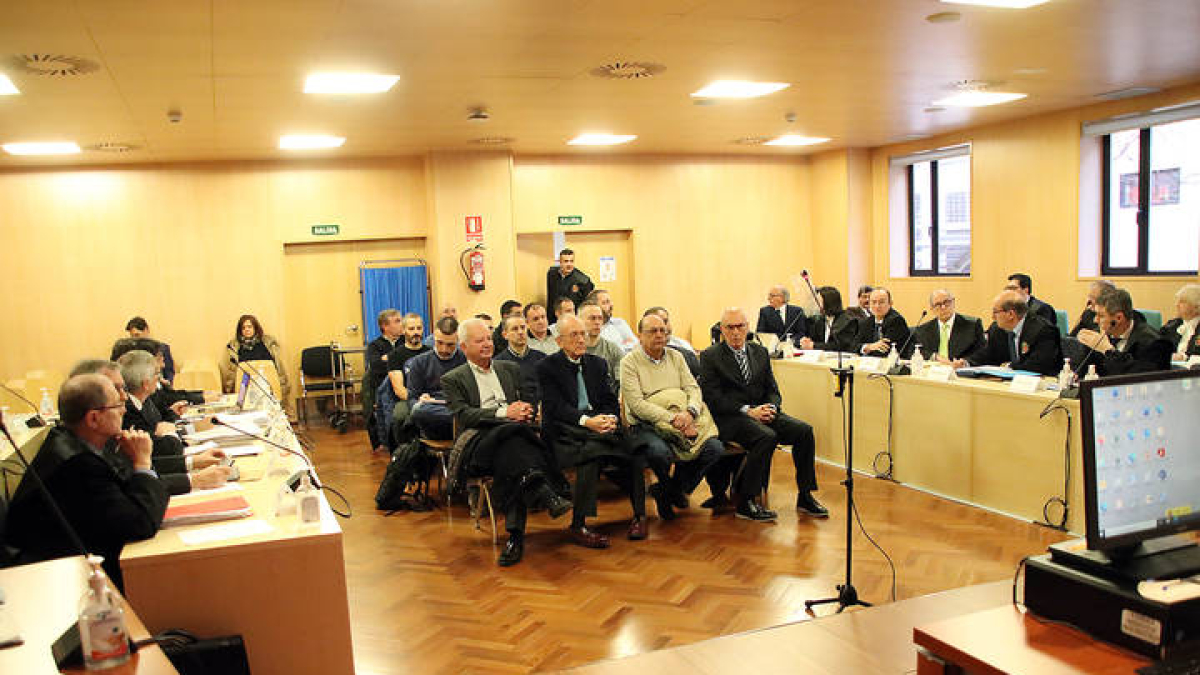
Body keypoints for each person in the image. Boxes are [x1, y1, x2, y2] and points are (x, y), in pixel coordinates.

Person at [6, 374, 168, 590]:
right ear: (93, 419)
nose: (124, 410)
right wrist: (142, 462)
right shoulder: (78, 465)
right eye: (118, 405)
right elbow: (139, 524)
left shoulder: (75, 442)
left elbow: (126, 494)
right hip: (56, 582)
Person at [442, 318, 572, 567]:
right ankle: (550, 490)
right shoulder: (452, 378)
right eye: (479, 341)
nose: (487, 344)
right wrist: (505, 414)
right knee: (513, 435)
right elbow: (465, 416)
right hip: (478, 442)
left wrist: (526, 410)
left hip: (512, 444)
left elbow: (529, 400)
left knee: (513, 457)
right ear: (463, 346)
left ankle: (516, 536)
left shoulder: (508, 369)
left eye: (489, 338)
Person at [701, 308, 825, 520]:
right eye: (730, 328)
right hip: (731, 418)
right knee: (766, 437)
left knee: (804, 431)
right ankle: (746, 501)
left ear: (748, 328)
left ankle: (805, 495)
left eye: (740, 326)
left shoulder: (759, 352)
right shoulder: (710, 356)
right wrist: (749, 411)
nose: (736, 332)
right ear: (722, 330)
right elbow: (714, 398)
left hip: (763, 411)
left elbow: (772, 389)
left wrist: (771, 408)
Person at [537, 315, 649, 546]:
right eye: (574, 335)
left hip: (600, 430)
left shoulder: (597, 364)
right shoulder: (547, 367)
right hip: (566, 433)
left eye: (583, 334)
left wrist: (608, 418)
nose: (581, 339)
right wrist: (588, 421)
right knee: (590, 457)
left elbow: (610, 400)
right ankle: (579, 525)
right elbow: (555, 408)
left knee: (635, 450)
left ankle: (640, 515)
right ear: (559, 341)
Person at [72, 359, 231, 496]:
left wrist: (193, 463)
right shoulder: (80, 461)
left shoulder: (98, 440)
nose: (124, 399)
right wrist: (143, 465)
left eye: (124, 388)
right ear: (93, 417)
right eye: (116, 389)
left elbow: (138, 470)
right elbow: (138, 515)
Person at [619, 313, 722, 521]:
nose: (660, 335)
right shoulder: (629, 362)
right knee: (660, 453)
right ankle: (670, 492)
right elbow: (637, 405)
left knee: (715, 449)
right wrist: (672, 418)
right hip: (646, 424)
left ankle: (670, 490)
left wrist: (690, 412)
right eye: (653, 331)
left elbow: (693, 388)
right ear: (640, 336)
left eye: (663, 331)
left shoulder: (676, 357)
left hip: (684, 418)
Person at [1076, 287, 1173, 376]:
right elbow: (1081, 372)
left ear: (1118, 318)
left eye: (1101, 316)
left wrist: (1108, 350)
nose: (1095, 320)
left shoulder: (1154, 343)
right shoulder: (1101, 334)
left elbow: (1136, 377)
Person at [963, 291, 1062, 376]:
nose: (992, 317)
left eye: (995, 312)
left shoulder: (1044, 330)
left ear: (1010, 314)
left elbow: (1038, 364)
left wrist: (1008, 367)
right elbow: (988, 354)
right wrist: (966, 363)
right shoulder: (997, 329)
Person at [405, 317, 466, 440]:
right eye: (439, 343)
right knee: (418, 411)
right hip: (433, 411)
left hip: (458, 405)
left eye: (450, 345)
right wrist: (420, 401)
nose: (444, 349)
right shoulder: (419, 362)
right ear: (433, 338)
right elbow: (411, 398)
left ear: (458, 340)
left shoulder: (466, 359)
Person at [219, 314, 290, 405]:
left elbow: (278, 368)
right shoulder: (235, 347)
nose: (246, 330)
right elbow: (232, 373)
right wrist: (229, 391)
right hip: (244, 387)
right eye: (243, 328)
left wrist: (283, 387)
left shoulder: (267, 344)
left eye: (249, 327)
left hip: (267, 385)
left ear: (255, 328)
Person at [383, 313, 431, 446]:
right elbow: (399, 390)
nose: (416, 332)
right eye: (411, 329)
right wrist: (417, 401)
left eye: (419, 328)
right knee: (400, 416)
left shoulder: (431, 352)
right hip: (407, 399)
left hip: (432, 398)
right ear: (403, 331)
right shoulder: (395, 356)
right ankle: (402, 453)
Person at [364, 309, 404, 452]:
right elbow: (376, 367)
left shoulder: (405, 341)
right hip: (381, 385)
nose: (402, 324)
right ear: (385, 326)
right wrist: (397, 358)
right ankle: (384, 442)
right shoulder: (375, 345)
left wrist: (387, 358)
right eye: (398, 321)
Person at [908, 290, 986, 362]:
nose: (943, 307)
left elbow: (982, 353)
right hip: (932, 372)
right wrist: (935, 357)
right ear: (932, 309)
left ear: (953, 302)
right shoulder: (924, 330)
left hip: (961, 371)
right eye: (938, 305)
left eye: (946, 302)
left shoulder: (972, 325)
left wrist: (965, 362)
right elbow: (917, 350)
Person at [493, 313, 546, 404]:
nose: (520, 332)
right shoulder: (497, 363)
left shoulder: (542, 358)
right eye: (515, 329)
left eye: (523, 327)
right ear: (505, 335)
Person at [578, 303, 624, 391]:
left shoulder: (613, 349)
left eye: (600, 318)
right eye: (592, 318)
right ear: (579, 320)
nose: (597, 322)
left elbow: (622, 383)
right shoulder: (572, 350)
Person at [644, 307, 700, 378]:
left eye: (665, 321)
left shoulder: (684, 346)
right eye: (655, 325)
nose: (663, 327)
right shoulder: (638, 353)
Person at [799, 286, 858, 353]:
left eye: (818, 300)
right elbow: (815, 340)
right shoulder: (820, 319)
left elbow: (841, 345)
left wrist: (814, 345)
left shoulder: (848, 320)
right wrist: (807, 341)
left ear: (828, 302)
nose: (815, 304)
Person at [853, 288, 910, 356]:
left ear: (890, 303)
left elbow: (884, 350)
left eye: (881, 302)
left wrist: (867, 348)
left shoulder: (896, 321)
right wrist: (869, 347)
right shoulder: (867, 322)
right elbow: (853, 346)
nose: (877, 306)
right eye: (874, 302)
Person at [123, 317, 177, 384]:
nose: (135, 340)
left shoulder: (162, 348)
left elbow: (169, 371)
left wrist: (168, 382)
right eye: (132, 337)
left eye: (137, 335)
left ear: (146, 330)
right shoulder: (131, 352)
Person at [547, 248, 594, 320]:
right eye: (566, 261)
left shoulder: (583, 280)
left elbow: (587, 305)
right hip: (554, 318)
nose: (569, 264)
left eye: (571, 261)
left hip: (573, 319)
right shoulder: (551, 274)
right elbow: (550, 298)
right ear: (560, 262)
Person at [1162, 284, 1200, 361]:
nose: (1177, 305)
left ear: (1196, 306)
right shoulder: (1171, 325)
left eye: (1182, 302)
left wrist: (1184, 357)